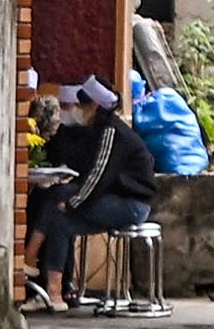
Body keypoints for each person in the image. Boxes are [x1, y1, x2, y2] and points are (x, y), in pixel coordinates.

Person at [30, 77, 162, 309]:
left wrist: (73, 203)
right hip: (110, 198)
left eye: (83, 105)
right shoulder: (97, 130)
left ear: (96, 107)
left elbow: (99, 176)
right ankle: (54, 293)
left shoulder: (113, 132)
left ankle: (30, 256)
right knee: (61, 222)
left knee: (60, 197)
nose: (79, 110)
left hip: (131, 204)